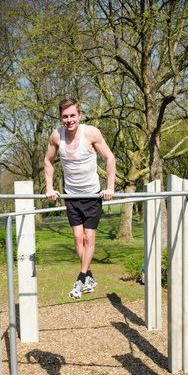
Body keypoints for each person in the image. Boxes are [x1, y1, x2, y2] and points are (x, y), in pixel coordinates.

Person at [44, 98, 116, 300]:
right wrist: (50, 188)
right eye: (65, 116)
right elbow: (48, 161)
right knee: (77, 238)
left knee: (89, 238)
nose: (69, 120)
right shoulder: (56, 136)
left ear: (79, 116)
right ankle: (89, 277)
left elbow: (109, 157)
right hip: (71, 195)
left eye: (72, 115)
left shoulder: (91, 133)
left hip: (92, 194)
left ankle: (81, 277)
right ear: (61, 117)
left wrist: (109, 187)